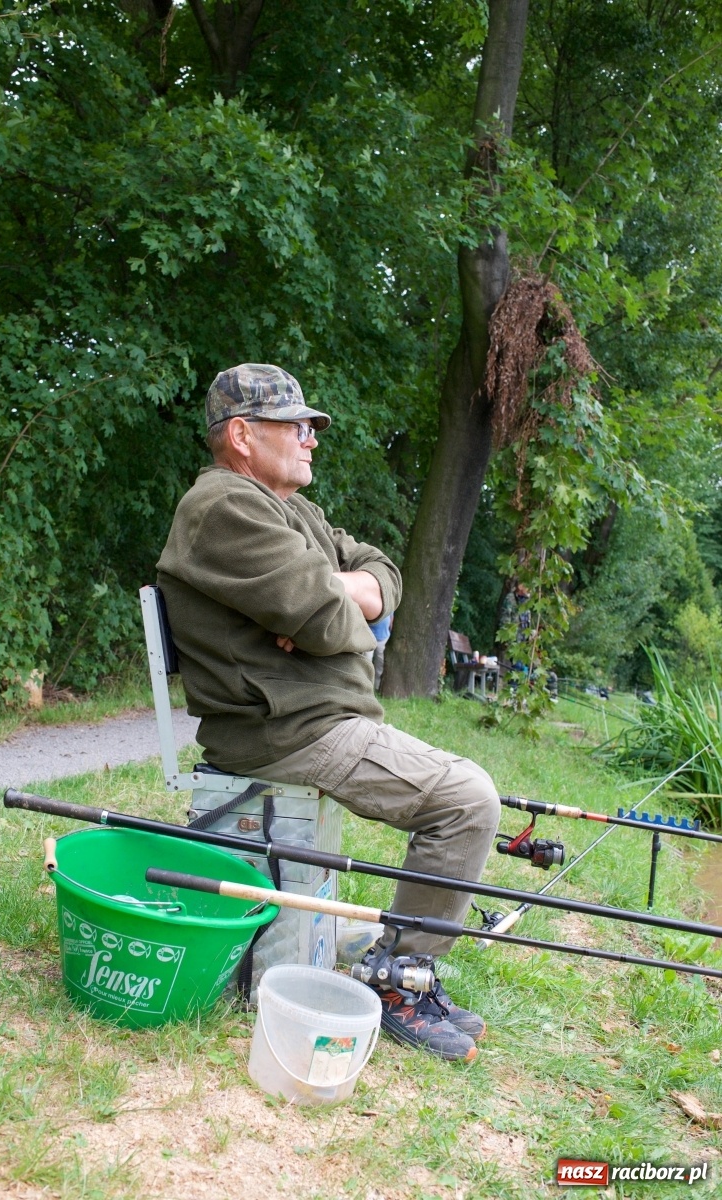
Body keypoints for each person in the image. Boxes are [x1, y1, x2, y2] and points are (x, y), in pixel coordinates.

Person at [157, 363, 500, 1063]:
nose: (312, 438)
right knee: (466, 799)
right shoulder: (223, 507)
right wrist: (338, 611)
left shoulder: (292, 510)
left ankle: (398, 966)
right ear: (244, 435)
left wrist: (350, 600)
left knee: (462, 793)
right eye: (298, 426)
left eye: (313, 427)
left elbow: (382, 573)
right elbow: (319, 620)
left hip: (326, 718)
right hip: (288, 731)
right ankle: (400, 981)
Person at [367, 610, 393, 691]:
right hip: (369, 637)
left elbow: (391, 618)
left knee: (380, 665)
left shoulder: (389, 602)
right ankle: (367, 688)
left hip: (383, 638)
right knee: (367, 662)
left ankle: (377, 687)